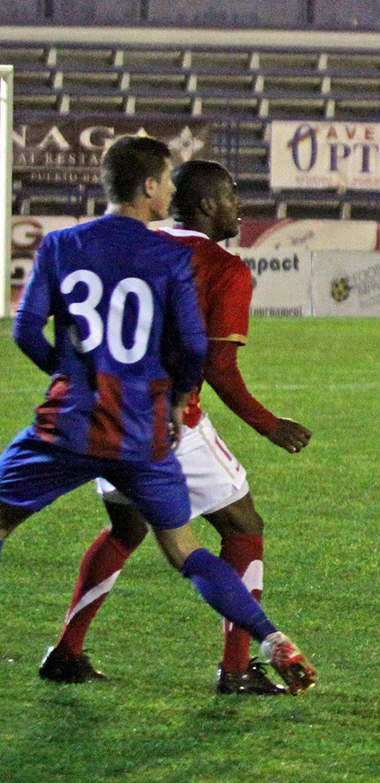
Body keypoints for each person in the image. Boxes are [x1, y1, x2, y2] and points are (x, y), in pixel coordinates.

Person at [0, 136, 316, 693]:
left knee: (114, 526)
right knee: (210, 537)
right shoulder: (184, 260)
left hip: (72, 419)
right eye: (166, 180)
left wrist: (72, 375)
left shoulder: (66, 243)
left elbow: (25, 329)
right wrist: (180, 401)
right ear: (151, 187)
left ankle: (68, 652)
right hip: (147, 429)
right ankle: (255, 650)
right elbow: (200, 352)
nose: (169, 190)